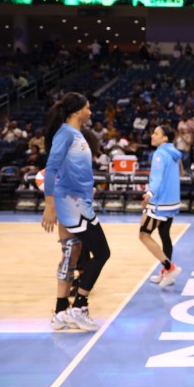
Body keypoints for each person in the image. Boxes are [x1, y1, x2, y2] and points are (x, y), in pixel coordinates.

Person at [42, 92, 113, 332]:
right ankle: (79, 306)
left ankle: (62, 312)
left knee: (72, 255)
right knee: (102, 252)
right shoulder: (65, 134)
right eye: (87, 108)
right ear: (76, 111)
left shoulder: (75, 134)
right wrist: (49, 206)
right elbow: (50, 170)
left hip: (79, 201)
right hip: (71, 204)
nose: (90, 112)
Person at [140, 125, 183, 287]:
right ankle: (167, 274)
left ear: (165, 138)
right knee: (165, 235)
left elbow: (156, 179)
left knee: (143, 235)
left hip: (160, 201)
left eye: (156, 133)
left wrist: (149, 193)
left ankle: (169, 267)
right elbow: (181, 173)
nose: (152, 135)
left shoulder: (159, 154)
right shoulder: (174, 153)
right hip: (172, 202)